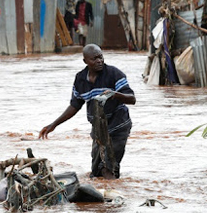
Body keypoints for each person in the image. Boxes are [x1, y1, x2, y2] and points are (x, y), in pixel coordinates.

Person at [39, 44, 135, 179]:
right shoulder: (80, 79)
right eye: (94, 59)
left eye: (101, 57)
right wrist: (53, 125)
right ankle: (99, 193)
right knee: (95, 172)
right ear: (85, 61)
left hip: (118, 126)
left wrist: (116, 94)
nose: (99, 61)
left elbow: (132, 98)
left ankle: (111, 194)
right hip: (98, 129)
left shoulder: (114, 74)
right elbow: (75, 105)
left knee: (109, 167)